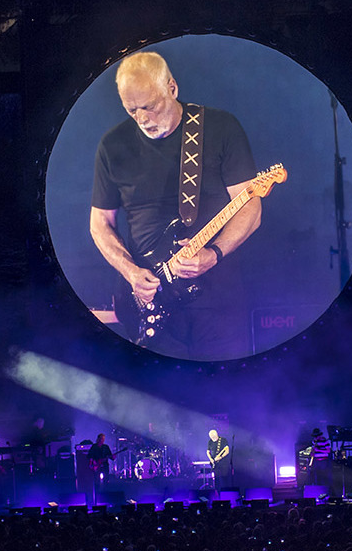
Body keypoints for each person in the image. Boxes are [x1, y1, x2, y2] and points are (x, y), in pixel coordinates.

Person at [90, 50, 262, 360]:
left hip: (217, 300)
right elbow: (100, 223)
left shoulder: (221, 128)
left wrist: (215, 253)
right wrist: (130, 272)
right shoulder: (112, 145)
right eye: (132, 109)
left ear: (172, 88)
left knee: (229, 394)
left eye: (150, 106)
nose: (143, 118)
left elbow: (250, 208)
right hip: (148, 302)